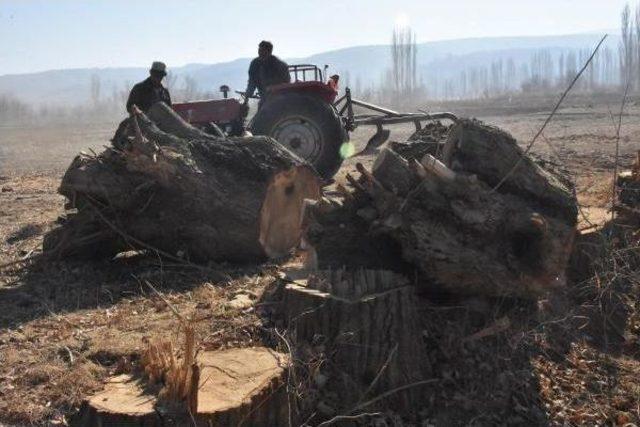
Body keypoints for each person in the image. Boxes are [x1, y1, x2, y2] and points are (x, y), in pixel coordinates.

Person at [243, 41, 290, 111]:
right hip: (264, 95)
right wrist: (247, 97)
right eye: (259, 50)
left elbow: (286, 81)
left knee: (264, 112)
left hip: (277, 95)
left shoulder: (279, 64)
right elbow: (251, 81)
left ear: (269, 52)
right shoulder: (254, 64)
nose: (260, 52)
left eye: (262, 50)